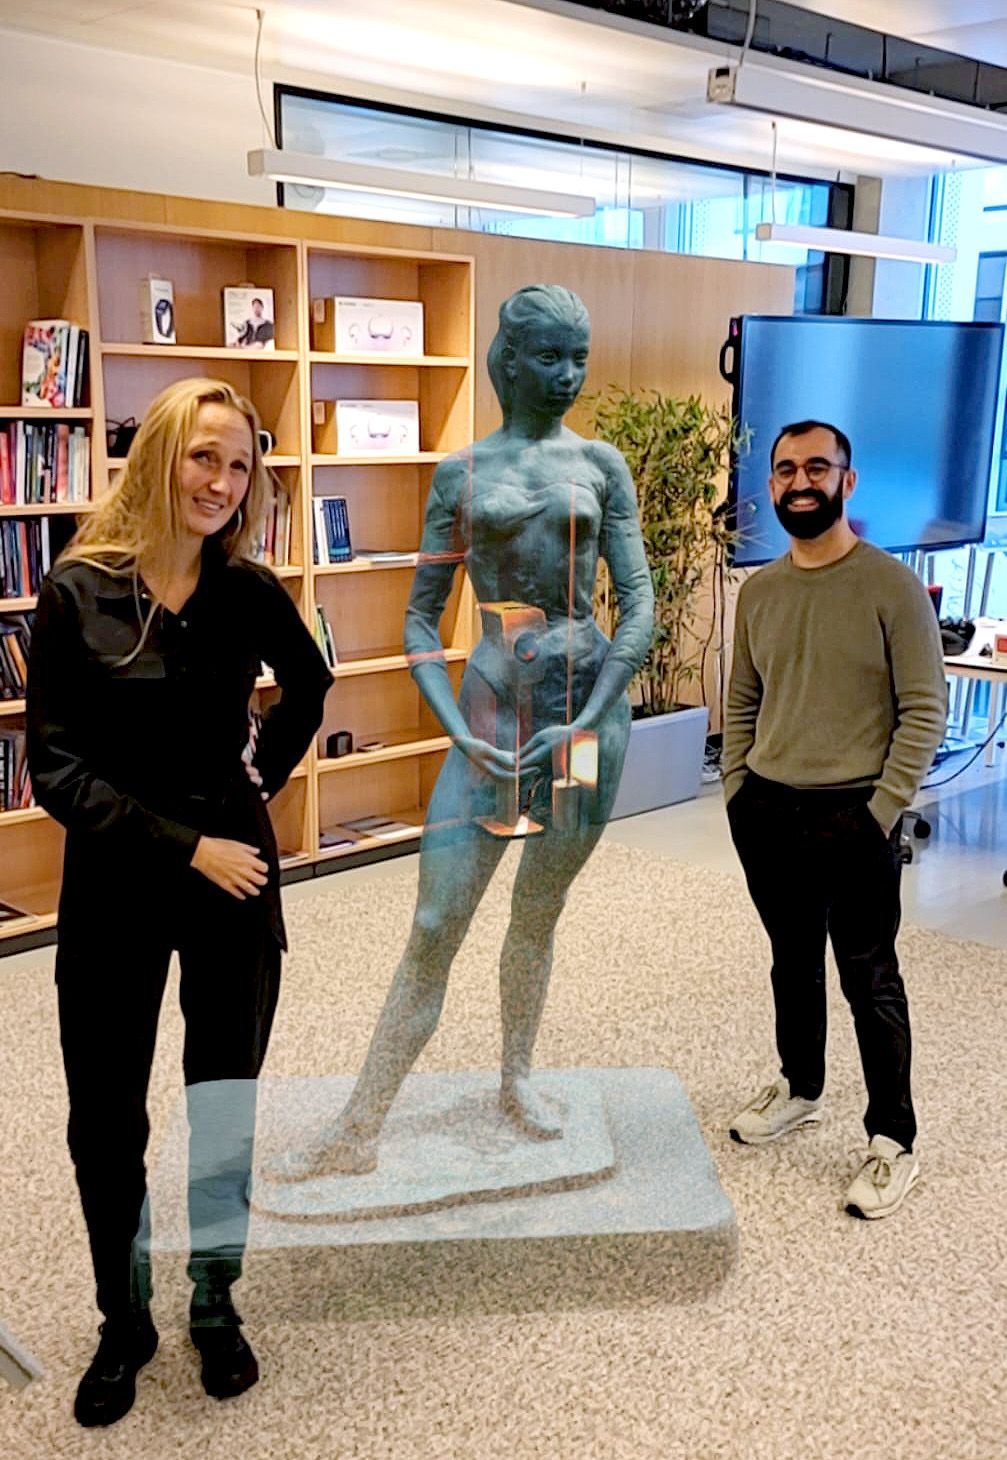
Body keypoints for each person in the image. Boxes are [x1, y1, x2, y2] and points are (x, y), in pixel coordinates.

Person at [276, 284, 654, 1178]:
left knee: (538, 907)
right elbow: (419, 619)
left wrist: (585, 720)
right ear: (508, 360)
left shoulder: (600, 464)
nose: (567, 375)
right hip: (491, 711)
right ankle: (358, 1124)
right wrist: (456, 727)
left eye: (579, 357)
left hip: (584, 718)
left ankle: (516, 1079)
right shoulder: (463, 474)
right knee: (438, 915)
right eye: (550, 356)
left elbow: (637, 604)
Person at [26, 378, 332, 1425]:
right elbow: (55, 769)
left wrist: (258, 784)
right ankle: (124, 1320)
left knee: (222, 1099)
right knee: (104, 1115)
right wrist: (186, 846)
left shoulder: (245, 590)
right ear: (160, 455)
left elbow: (310, 684)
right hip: (120, 880)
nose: (221, 482)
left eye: (240, 465)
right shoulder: (76, 591)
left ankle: (213, 1299)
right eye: (205, 456)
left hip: (231, 875)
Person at [722, 419, 946, 1219]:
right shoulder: (760, 591)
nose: (799, 482)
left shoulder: (890, 586)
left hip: (856, 815)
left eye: (816, 467)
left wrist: (880, 811)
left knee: (868, 978)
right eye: (785, 470)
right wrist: (737, 792)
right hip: (766, 810)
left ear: (846, 482)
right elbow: (741, 701)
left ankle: (892, 1140)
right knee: (790, 963)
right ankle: (800, 1087)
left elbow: (924, 710)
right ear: (772, 485)